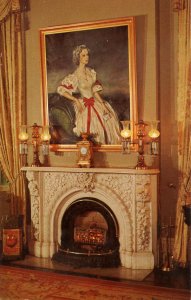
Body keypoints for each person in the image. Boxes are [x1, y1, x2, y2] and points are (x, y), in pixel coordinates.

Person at [57, 44, 121, 145]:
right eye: (83, 55)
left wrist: (103, 104)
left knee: (109, 122)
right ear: (78, 57)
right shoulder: (75, 76)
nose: (87, 57)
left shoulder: (91, 72)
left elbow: (94, 91)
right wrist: (76, 100)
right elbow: (61, 90)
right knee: (90, 128)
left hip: (96, 103)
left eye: (87, 55)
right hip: (85, 105)